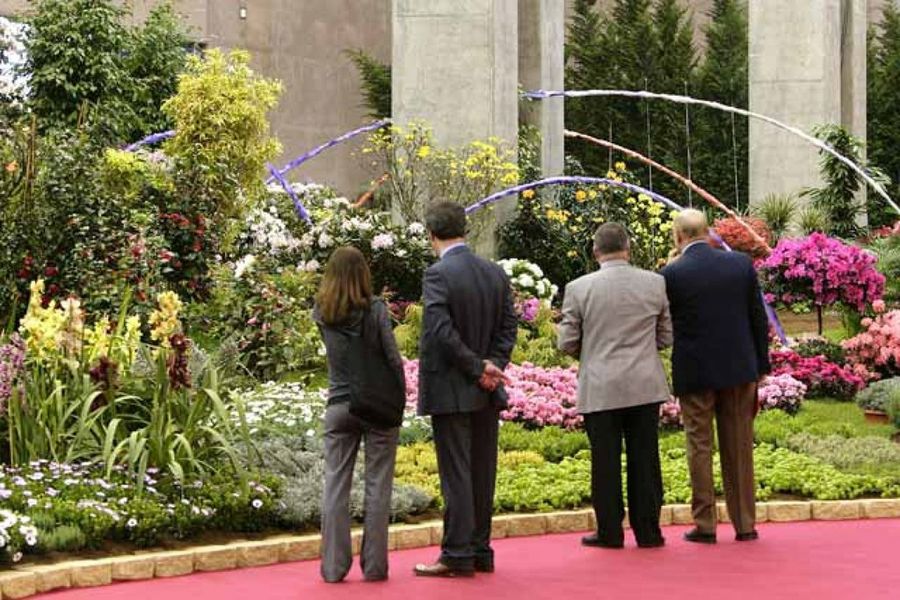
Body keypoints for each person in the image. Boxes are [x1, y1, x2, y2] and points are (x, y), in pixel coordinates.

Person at [413, 202, 518, 578]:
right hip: (486, 389)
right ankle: (480, 549)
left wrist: (478, 368)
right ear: (465, 229)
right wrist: (493, 366)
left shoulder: (437, 274)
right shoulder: (494, 272)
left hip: (454, 388)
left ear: (431, 234)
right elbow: (509, 327)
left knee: (456, 472)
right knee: (482, 471)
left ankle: (457, 553)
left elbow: (439, 332)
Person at [558, 223, 673, 549]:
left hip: (600, 385)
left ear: (595, 252)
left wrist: (591, 352)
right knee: (645, 458)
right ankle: (649, 531)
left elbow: (566, 342)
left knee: (604, 461)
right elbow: (665, 337)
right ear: (629, 248)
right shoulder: (655, 283)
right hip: (644, 384)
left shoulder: (579, 288)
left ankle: (609, 531)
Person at [660, 209, 771, 544]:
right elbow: (757, 318)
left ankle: (705, 524)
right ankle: (745, 523)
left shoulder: (671, 274)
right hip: (739, 368)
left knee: (699, 446)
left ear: (678, 236)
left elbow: (666, 326)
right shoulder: (739, 264)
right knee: (739, 446)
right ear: (708, 232)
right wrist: (762, 366)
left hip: (695, 371)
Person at [314, 246, 405, 583]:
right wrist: (399, 395)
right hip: (377, 405)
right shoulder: (377, 310)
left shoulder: (321, 312)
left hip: (338, 405)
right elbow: (393, 359)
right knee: (378, 485)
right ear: (364, 275)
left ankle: (333, 567)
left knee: (335, 484)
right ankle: (375, 567)